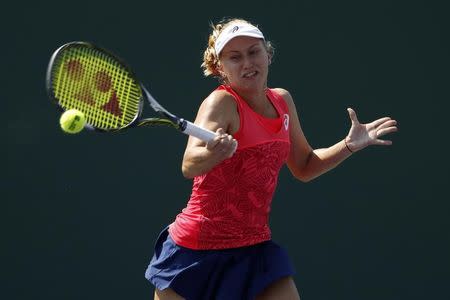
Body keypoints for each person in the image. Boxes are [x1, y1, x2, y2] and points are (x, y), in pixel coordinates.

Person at [145, 17, 398, 300]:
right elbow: (189, 163)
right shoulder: (222, 103)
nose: (247, 63)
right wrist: (213, 153)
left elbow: (304, 166)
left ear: (268, 53)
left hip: (253, 248)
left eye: (254, 52)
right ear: (220, 68)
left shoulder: (282, 101)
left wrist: (348, 145)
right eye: (235, 57)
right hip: (195, 251)